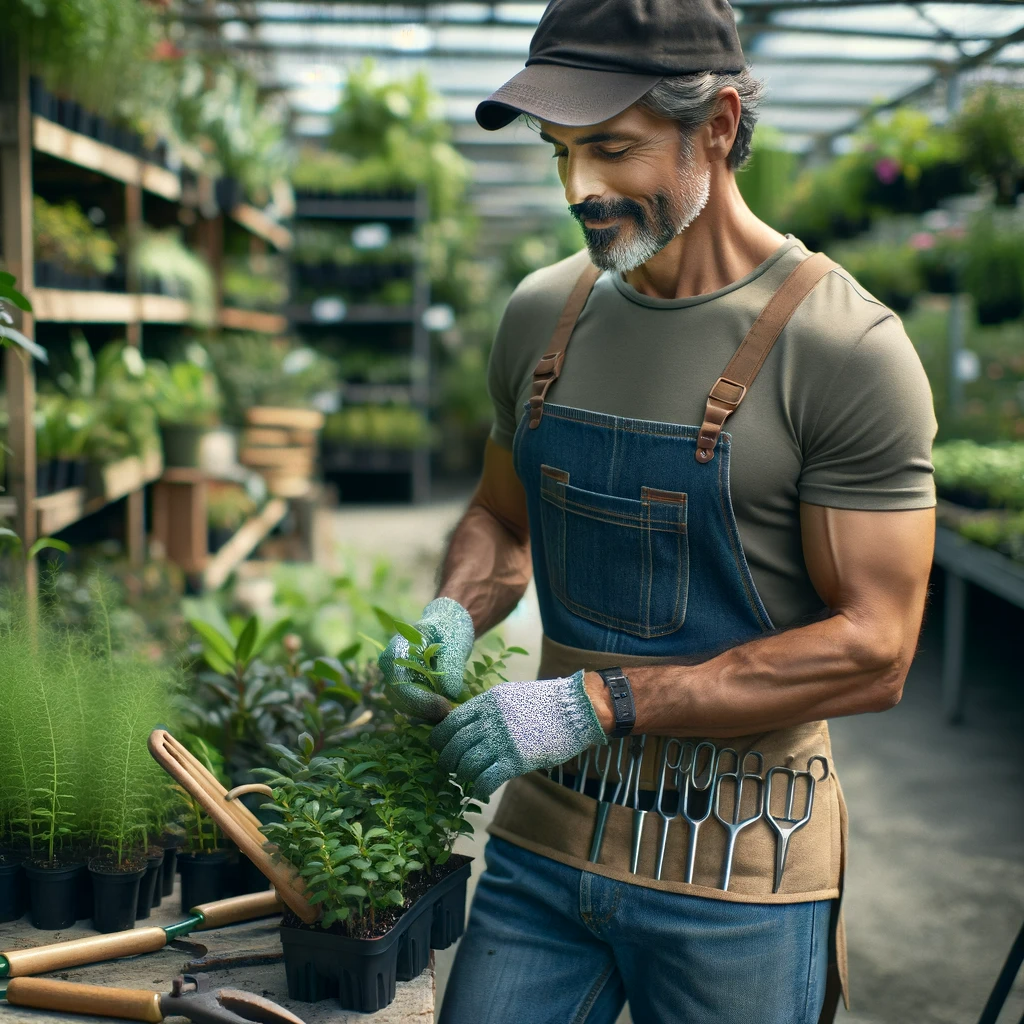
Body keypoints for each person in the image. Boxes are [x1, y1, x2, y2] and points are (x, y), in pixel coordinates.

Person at [378, 1, 937, 1020]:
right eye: (560, 151)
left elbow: (876, 646)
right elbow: (502, 524)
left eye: (612, 148)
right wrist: (453, 610)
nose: (576, 188)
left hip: (738, 866)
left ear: (716, 126)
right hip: (543, 845)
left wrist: (597, 702)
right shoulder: (542, 314)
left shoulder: (845, 349)